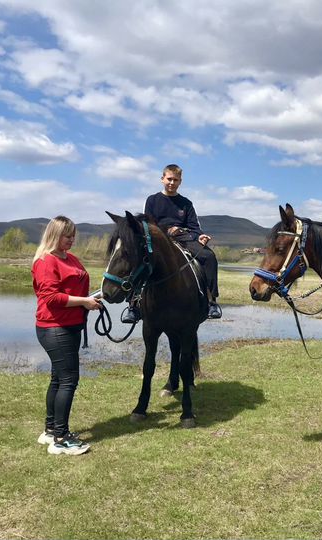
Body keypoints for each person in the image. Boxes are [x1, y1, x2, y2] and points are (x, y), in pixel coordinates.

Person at [32, 216, 101, 455]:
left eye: (73, 236)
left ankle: (51, 430)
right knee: (69, 380)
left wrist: (90, 299)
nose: (71, 240)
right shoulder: (45, 261)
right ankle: (61, 439)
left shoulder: (70, 258)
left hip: (70, 326)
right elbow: (51, 298)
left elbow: (72, 289)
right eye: (66, 235)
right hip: (54, 327)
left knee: (58, 379)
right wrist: (84, 301)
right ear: (54, 235)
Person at [122, 163, 222, 323]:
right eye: (169, 179)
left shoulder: (186, 203)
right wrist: (165, 231)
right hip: (158, 239)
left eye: (175, 180)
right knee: (139, 259)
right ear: (162, 179)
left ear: (180, 181)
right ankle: (133, 306)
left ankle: (211, 302)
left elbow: (194, 227)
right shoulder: (152, 200)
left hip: (184, 237)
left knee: (209, 257)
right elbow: (148, 224)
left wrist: (200, 237)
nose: (172, 183)